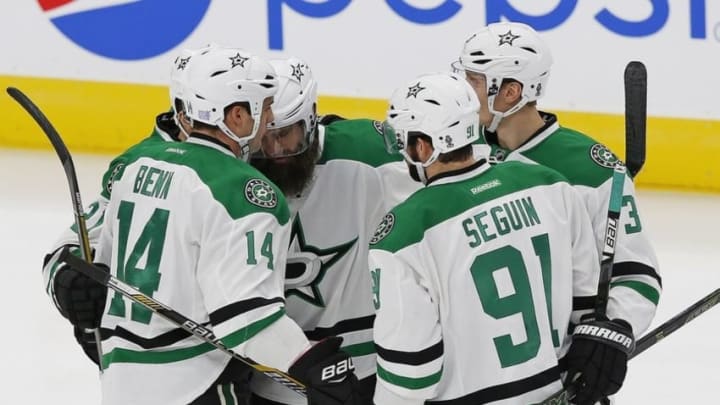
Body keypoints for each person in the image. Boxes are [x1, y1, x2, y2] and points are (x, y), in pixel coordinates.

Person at [55, 47, 365, 405]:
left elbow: (91, 258)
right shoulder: (245, 192)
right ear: (236, 116)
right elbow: (248, 320)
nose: (268, 124)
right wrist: (314, 366)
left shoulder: (137, 167)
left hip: (121, 381)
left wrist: (74, 288)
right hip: (198, 384)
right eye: (264, 109)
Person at [368, 71, 635, 405]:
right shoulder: (549, 185)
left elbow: (411, 375)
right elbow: (587, 308)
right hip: (560, 393)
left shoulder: (402, 236)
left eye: (402, 140)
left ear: (423, 147)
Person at [454, 22, 660, 402]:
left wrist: (613, 330)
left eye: (475, 81)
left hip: (556, 369)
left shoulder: (591, 170)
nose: (463, 91)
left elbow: (637, 274)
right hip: (473, 369)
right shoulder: (461, 154)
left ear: (511, 92)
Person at [248, 57, 420, 404]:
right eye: (267, 138)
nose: (278, 150)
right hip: (264, 373)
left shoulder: (369, 155)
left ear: (311, 118)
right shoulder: (237, 169)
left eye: (288, 135)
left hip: (361, 370)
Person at [42, 46, 199, 365]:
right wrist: (70, 285)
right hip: (170, 363)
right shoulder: (140, 165)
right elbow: (64, 253)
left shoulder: (257, 152)